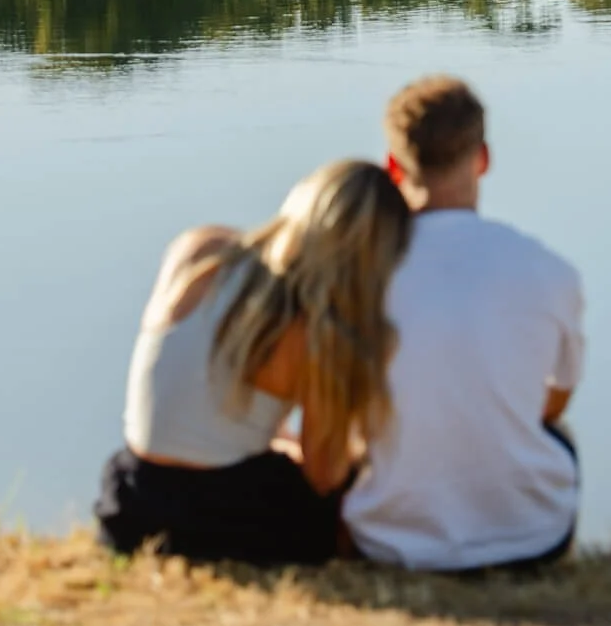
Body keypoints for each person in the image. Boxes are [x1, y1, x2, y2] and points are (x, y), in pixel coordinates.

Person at [95, 159, 411, 565]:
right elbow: (323, 474)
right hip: (230, 519)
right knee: (348, 483)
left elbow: (193, 397)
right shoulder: (317, 331)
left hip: (128, 502)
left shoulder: (200, 248)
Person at [342, 76, 586, 571]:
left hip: (391, 542)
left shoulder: (358, 278)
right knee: (561, 435)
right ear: (483, 159)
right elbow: (553, 403)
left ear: (393, 166)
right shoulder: (550, 270)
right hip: (533, 537)